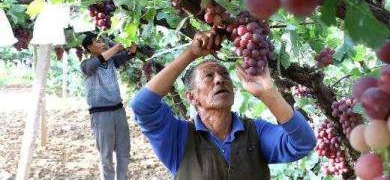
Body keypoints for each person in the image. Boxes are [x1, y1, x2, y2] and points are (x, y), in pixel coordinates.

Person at [131, 32, 317, 179]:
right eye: (209, 76)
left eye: (225, 74)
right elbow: (142, 106)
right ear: (192, 97)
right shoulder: (178, 138)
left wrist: (268, 94)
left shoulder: (255, 132)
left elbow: (303, 143)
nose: (220, 79)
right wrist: (191, 54)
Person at [80, 32, 137, 180]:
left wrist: (132, 36)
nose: (103, 43)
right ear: (90, 47)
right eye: (98, 41)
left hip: (118, 111)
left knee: (124, 152)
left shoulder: (111, 61)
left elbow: (131, 53)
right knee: (106, 156)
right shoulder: (86, 65)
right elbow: (99, 60)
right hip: (101, 115)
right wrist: (117, 47)